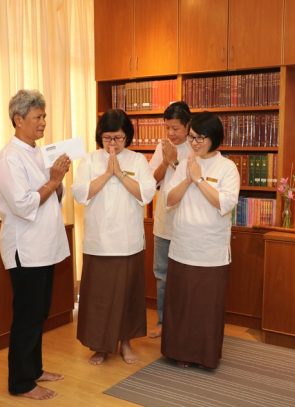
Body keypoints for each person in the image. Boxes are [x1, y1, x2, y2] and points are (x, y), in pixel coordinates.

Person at [0, 89, 70, 400]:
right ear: (18, 119)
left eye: (44, 116)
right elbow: (24, 205)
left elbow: (53, 195)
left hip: (44, 245)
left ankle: (34, 370)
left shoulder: (38, 151)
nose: (43, 123)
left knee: (40, 312)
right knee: (27, 315)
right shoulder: (9, 157)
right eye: (38, 117)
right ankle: (21, 383)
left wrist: (57, 181)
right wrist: (52, 181)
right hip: (25, 248)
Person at [72, 109, 156, 365]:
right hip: (99, 241)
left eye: (118, 138)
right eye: (108, 138)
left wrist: (119, 174)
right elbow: (81, 194)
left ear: (126, 136)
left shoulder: (138, 160)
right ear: (100, 137)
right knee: (100, 297)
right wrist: (107, 173)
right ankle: (100, 346)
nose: (113, 143)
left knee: (127, 295)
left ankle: (126, 343)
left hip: (128, 241)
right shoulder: (88, 161)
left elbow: (146, 194)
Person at [162, 111, 240, 369]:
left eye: (200, 138)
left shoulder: (227, 167)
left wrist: (199, 178)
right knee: (182, 304)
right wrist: (187, 177)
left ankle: (205, 356)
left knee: (206, 307)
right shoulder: (185, 162)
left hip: (211, 251)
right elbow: (169, 200)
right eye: (192, 137)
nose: (194, 143)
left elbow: (224, 203)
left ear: (214, 138)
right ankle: (180, 352)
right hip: (183, 246)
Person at [147, 101, 193, 339]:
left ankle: (183, 323)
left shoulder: (197, 147)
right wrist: (165, 161)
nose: (171, 133)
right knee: (162, 275)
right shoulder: (161, 146)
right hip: (164, 223)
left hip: (188, 226)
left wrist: (175, 160)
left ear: (188, 126)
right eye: (167, 128)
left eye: (175, 128)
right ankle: (163, 321)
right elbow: (152, 181)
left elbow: (193, 183)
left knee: (186, 277)